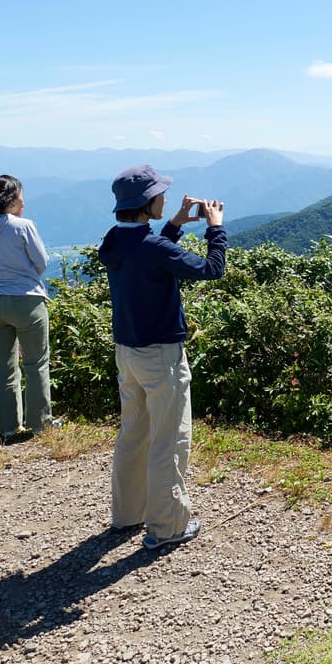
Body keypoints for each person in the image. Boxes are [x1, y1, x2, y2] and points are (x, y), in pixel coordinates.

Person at [100, 164, 226, 549]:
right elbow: (211, 269)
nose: (166, 198)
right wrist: (215, 227)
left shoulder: (113, 242)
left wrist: (173, 224)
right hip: (161, 356)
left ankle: (127, 515)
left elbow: (149, 257)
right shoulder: (151, 247)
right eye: (161, 195)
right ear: (147, 202)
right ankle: (167, 527)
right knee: (168, 441)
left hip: (127, 352)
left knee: (133, 434)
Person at [0, 174, 55, 437]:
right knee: (36, 363)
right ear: (10, 197)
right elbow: (41, 262)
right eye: (19, 194)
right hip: (27, 299)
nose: (23, 200)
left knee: (2, 365)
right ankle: (40, 423)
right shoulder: (23, 226)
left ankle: (6, 427)